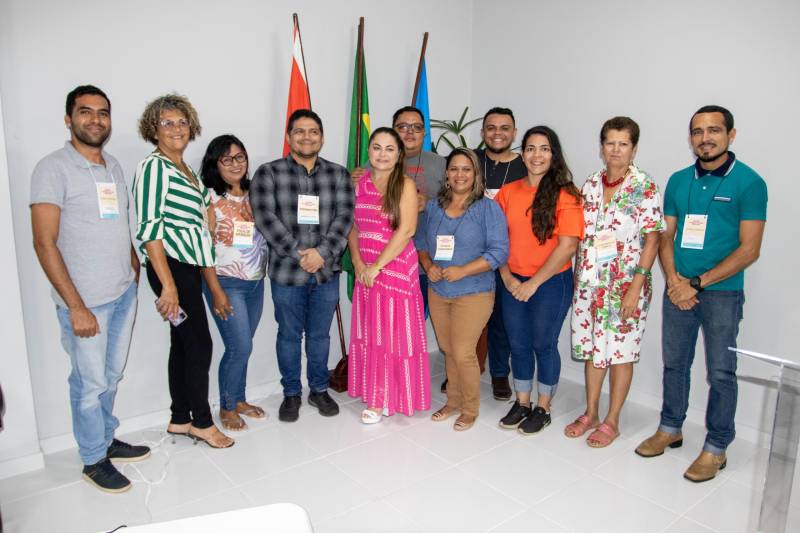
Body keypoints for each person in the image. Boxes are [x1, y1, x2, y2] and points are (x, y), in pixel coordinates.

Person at [636, 105, 767, 482]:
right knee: (674, 364)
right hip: (678, 288)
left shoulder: (750, 183)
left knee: (722, 372)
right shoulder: (679, 181)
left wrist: (696, 284)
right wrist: (675, 281)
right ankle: (670, 427)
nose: (705, 138)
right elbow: (665, 235)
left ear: (731, 135)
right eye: (697, 131)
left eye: (714, 130)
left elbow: (749, 249)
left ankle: (717, 446)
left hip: (722, 294)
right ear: (690, 138)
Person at [31, 85, 149, 493]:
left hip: (122, 293)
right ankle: (93, 458)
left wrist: (133, 263)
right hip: (85, 302)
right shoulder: (52, 168)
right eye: (85, 112)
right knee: (88, 383)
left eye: (102, 113)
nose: (95, 120)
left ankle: (106, 438)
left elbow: (116, 222)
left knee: (111, 376)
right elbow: (44, 242)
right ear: (69, 119)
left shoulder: (112, 166)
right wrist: (75, 306)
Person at [134, 93, 234, 449]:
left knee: (182, 343)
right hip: (170, 268)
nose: (176, 128)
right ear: (153, 129)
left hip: (187, 268)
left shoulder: (186, 171)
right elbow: (150, 229)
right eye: (167, 123)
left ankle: (180, 418)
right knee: (200, 344)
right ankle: (203, 423)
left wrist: (210, 214)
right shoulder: (154, 168)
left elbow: (203, 221)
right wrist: (168, 286)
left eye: (182, 122)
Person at [250, 109, 353, 422]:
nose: (307, 137)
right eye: (299, 131)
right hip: (286, 273)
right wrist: (301, 254)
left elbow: (344, 218)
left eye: (313, 132)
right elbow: (265, 218)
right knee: (289, 335)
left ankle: (319, 389)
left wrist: (321, 254)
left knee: (320, 336)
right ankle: (292, 393)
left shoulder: (338, 174)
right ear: (289, 136)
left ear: (322, 137)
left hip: (326, 272)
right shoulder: (268, 173)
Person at [567, 117, 663, 447]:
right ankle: (591, 412)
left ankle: (612, 420)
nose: (616, 150)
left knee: (620, 353)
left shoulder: (644, 186)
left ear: (634, 149)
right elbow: (582, 237)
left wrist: (636, 287)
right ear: (601, 147)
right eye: (610, 143)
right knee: (593, 350)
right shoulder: (591, 184)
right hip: (590, 284)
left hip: (625, 286)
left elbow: (653, 239)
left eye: (623, 144)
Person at [495, 125, 584, 435]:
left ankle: (543, 407)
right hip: (513, 281)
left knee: (543, 344)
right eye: (531, 148)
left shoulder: (567, 194)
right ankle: (522, 402)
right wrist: (507, 277)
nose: (537, 155)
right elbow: (497, 240)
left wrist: (532, 283)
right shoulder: (508, 192)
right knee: (518, 344)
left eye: (544, 149)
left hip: (551, 283)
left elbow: (567, 247)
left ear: (553, 154)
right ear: (522, 154)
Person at [417, 148, 508, 430]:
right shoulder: (433, 207)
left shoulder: (488, 208)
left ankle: (470, 408)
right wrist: (429, 265)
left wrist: (463, 270)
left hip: (475, 291)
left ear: (475, 174)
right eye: (454, 168)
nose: (460, 174)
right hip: (439, 290)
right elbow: (421, 243)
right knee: (448, 349)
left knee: (463, 351)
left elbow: (499, 252)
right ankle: (453, 401)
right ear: (446, 173)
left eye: (466, 169)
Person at [348, 127, 430, 424]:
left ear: (399, 155)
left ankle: (385, 398)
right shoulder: (358, 183)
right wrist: (358, 262)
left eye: (389, 149)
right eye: (377, 147)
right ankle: (375, 390)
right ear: (369, 151)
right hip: (366, 268)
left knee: (393, 335)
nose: (382, 154)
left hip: (394, 267)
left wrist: (377, 266)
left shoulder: (405, 185)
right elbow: (352, 226)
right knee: (372, 332)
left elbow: (407, 230)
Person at [200, 135, 268, 430]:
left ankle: (238, 399)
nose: (235, 164)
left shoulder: (256, 193)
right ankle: (227, 407)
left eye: (240, 157)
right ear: (215, 164)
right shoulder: (209, 197)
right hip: (225, 283)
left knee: (244, 346)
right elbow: (202, 248)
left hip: (255, 282)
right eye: (227, 159)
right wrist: (215, 291)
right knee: (238, 347)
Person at [475, 107, 527, 401]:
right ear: (483, 132)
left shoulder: (526, 166)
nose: (498, 133)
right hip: (469, 255)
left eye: (504, 128)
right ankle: (461, 371)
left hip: (508, 256)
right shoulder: (470, 161)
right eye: (491, 127)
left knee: (501, 321)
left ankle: (498, 374)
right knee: (467, 316)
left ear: (514, 133)